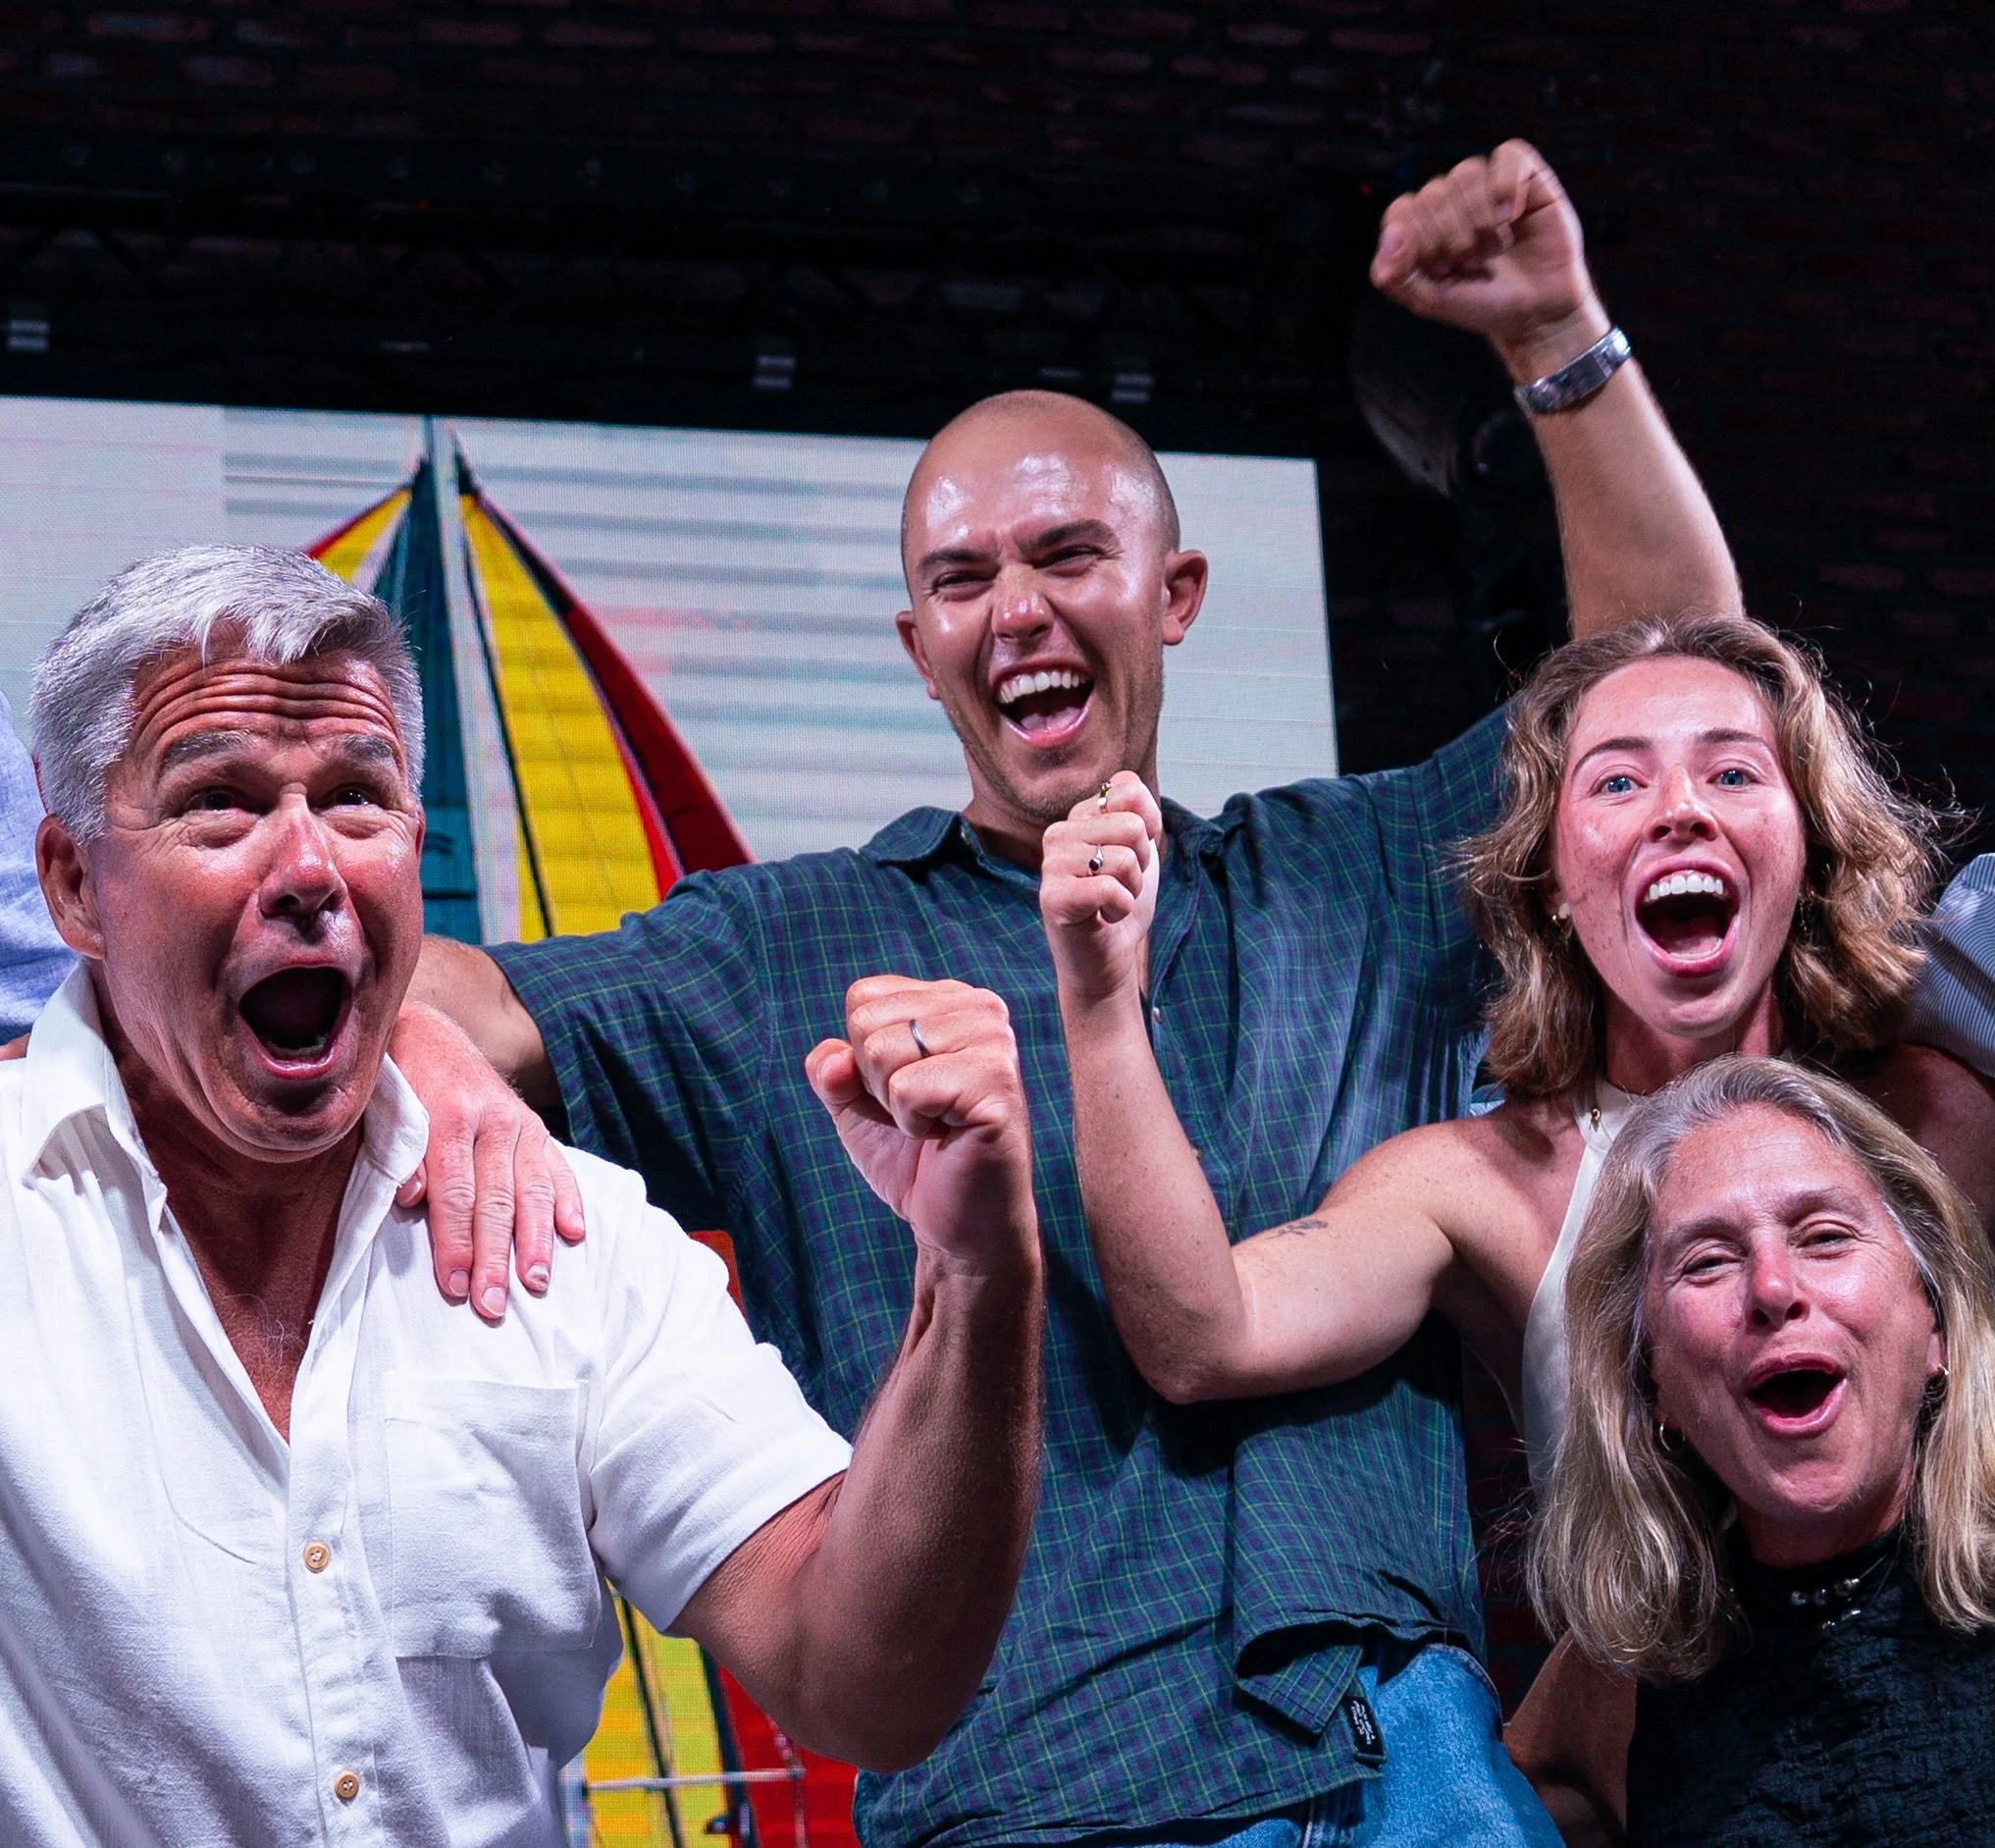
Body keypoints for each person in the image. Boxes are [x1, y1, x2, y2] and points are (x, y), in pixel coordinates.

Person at [402, 141, 1741, 1848]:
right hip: (1037, 1792)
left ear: (1172, 596)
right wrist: (437, 1056)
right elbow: (447, 987)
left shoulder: (1355, 871)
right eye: (962, 580)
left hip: (1419, 1777)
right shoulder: (779, 949)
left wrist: (1553, 332)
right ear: (917, 645)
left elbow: (1673, 692)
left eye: (1065, 553)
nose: (1015, 607)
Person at [0, 545, 1043, 1845]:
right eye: (221, 803)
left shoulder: (576, 1235)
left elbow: (863, 1678)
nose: (311, 863)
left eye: (357, 798)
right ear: (73, 885)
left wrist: (977, 1275)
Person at [1040, 609, 1995, 1497]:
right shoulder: (1473, 1183)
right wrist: (1095, 998)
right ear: (1547, 880)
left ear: (1808, 846)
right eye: (1616, 780)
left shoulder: (1930, 1116)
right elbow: (1206, 1335)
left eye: (1732, 773)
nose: (1679, 810)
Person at [1522, 1055, 1995, 1845]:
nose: (1772, 1288)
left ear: (1935, 1327)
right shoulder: (1635, 1668)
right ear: (1653, 1385)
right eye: (1706, 1259)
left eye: (1824, 1235)